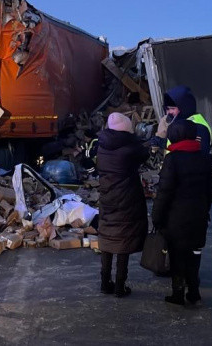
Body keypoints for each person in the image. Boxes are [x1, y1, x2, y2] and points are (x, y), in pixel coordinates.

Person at [152, 119, 212, 306]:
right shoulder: (205, 157)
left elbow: (164, 191)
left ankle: (178, 293)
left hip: (176, 218)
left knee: (177, 254)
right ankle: (194, 291)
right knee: (195, 252)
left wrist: (157, 216)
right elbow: (211, 186)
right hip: (199, 215)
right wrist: (205, 208)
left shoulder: (172, 159)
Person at [96, 112, 149, 297]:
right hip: (126, 199)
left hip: (107, 199)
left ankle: (105, 283)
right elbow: (145, 153)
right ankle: (120, 286)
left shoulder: (101, 147)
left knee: (108, 239)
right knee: (122, 242)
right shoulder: (129, 149)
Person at [151, 85, 212, 155]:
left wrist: (164, 144)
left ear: (184, 107)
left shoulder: (198, 126)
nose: (169, 112)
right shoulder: (180, 122)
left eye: (172, 108)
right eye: (167, 109)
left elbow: (195, 151)